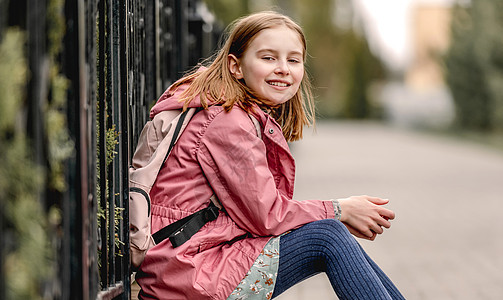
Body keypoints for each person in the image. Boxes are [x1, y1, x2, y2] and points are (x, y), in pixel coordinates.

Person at [135, 11, 405, 300]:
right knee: (328, 237)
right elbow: (268, 217)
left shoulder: (229, 110)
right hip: (189, 272)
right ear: (235, 66)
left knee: (329, 237)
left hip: (193, 261)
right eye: (268, 58)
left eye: (293, 59)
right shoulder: (226, 120)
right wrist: (340, 209)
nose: (283, 69)